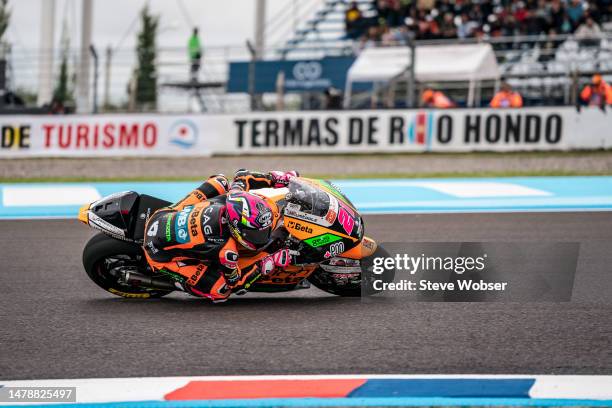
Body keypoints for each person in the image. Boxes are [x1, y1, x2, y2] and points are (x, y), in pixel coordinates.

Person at [143, 169, 298, 302]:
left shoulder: (235, 194)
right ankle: (179, 283)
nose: (262, 236)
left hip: (163, 215)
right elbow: (235, 282)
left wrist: (277, 179)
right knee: (220, 291)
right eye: (255, 233)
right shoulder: (227, 251)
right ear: (236, 229)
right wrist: (267, 263)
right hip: (156, 250)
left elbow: (243, 175)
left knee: (220, 181)